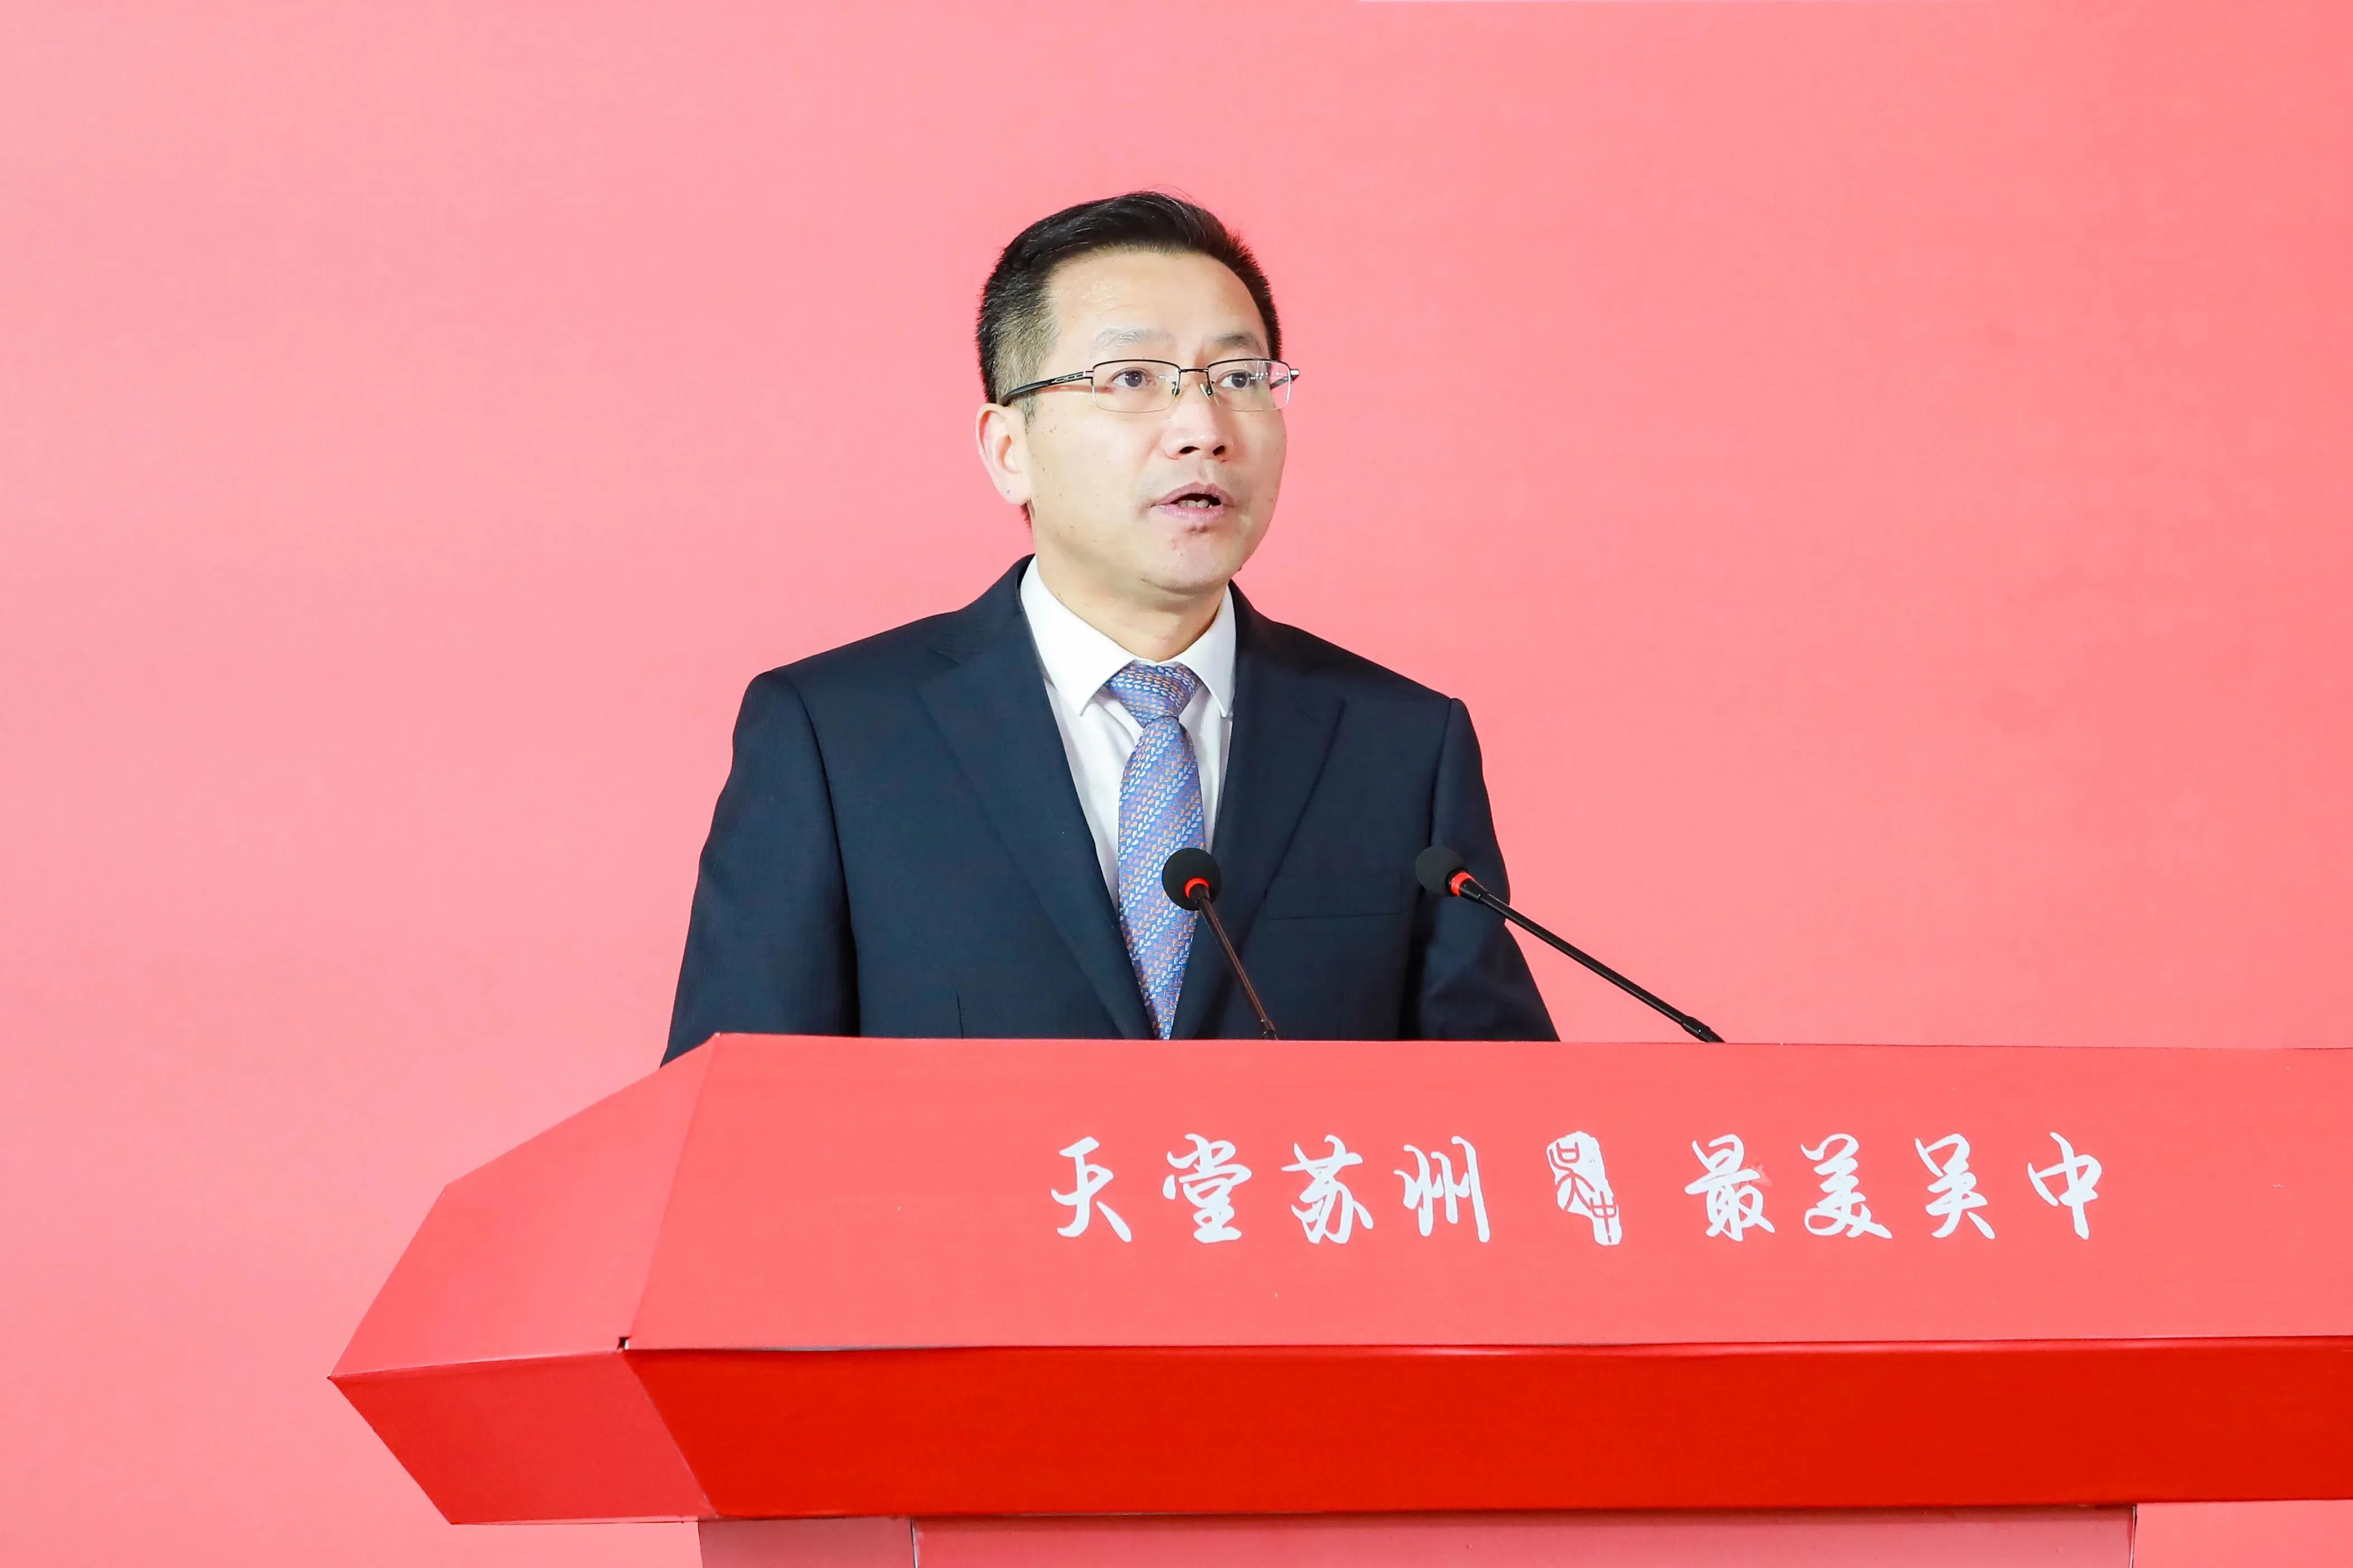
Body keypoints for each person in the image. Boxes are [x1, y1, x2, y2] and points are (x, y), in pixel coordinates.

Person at [665, 192, 1553, 1058]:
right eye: (1132, 379)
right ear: (1010, 450)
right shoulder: (836, 739)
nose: (1202, 429)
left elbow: (1507, 1118)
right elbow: (732, 1115)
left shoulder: (1401, 746)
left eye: (1240, 379)